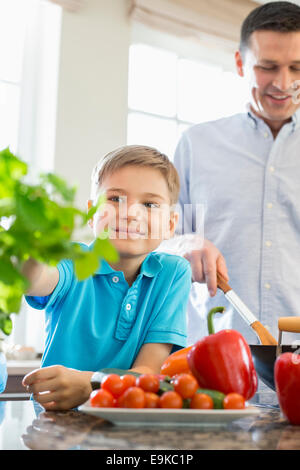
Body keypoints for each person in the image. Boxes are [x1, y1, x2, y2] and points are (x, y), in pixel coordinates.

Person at [21, 145, 192, 410]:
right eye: (115, 199)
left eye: (149, 204)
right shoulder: (73, 261)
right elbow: (35, 280)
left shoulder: (173, 274)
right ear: (92, 214)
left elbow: (149, 370)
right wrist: (29, 246)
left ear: (170, 224)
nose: (130, 213)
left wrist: (92, 384)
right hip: (56, 422)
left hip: (129, 424)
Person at [173, 1, 300, 345]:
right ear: (241, 63)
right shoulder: (196, 144)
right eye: (268, 67)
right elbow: (159, 243)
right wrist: (186, 242)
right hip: (210, 362)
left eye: (296, 67)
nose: (283, 83)